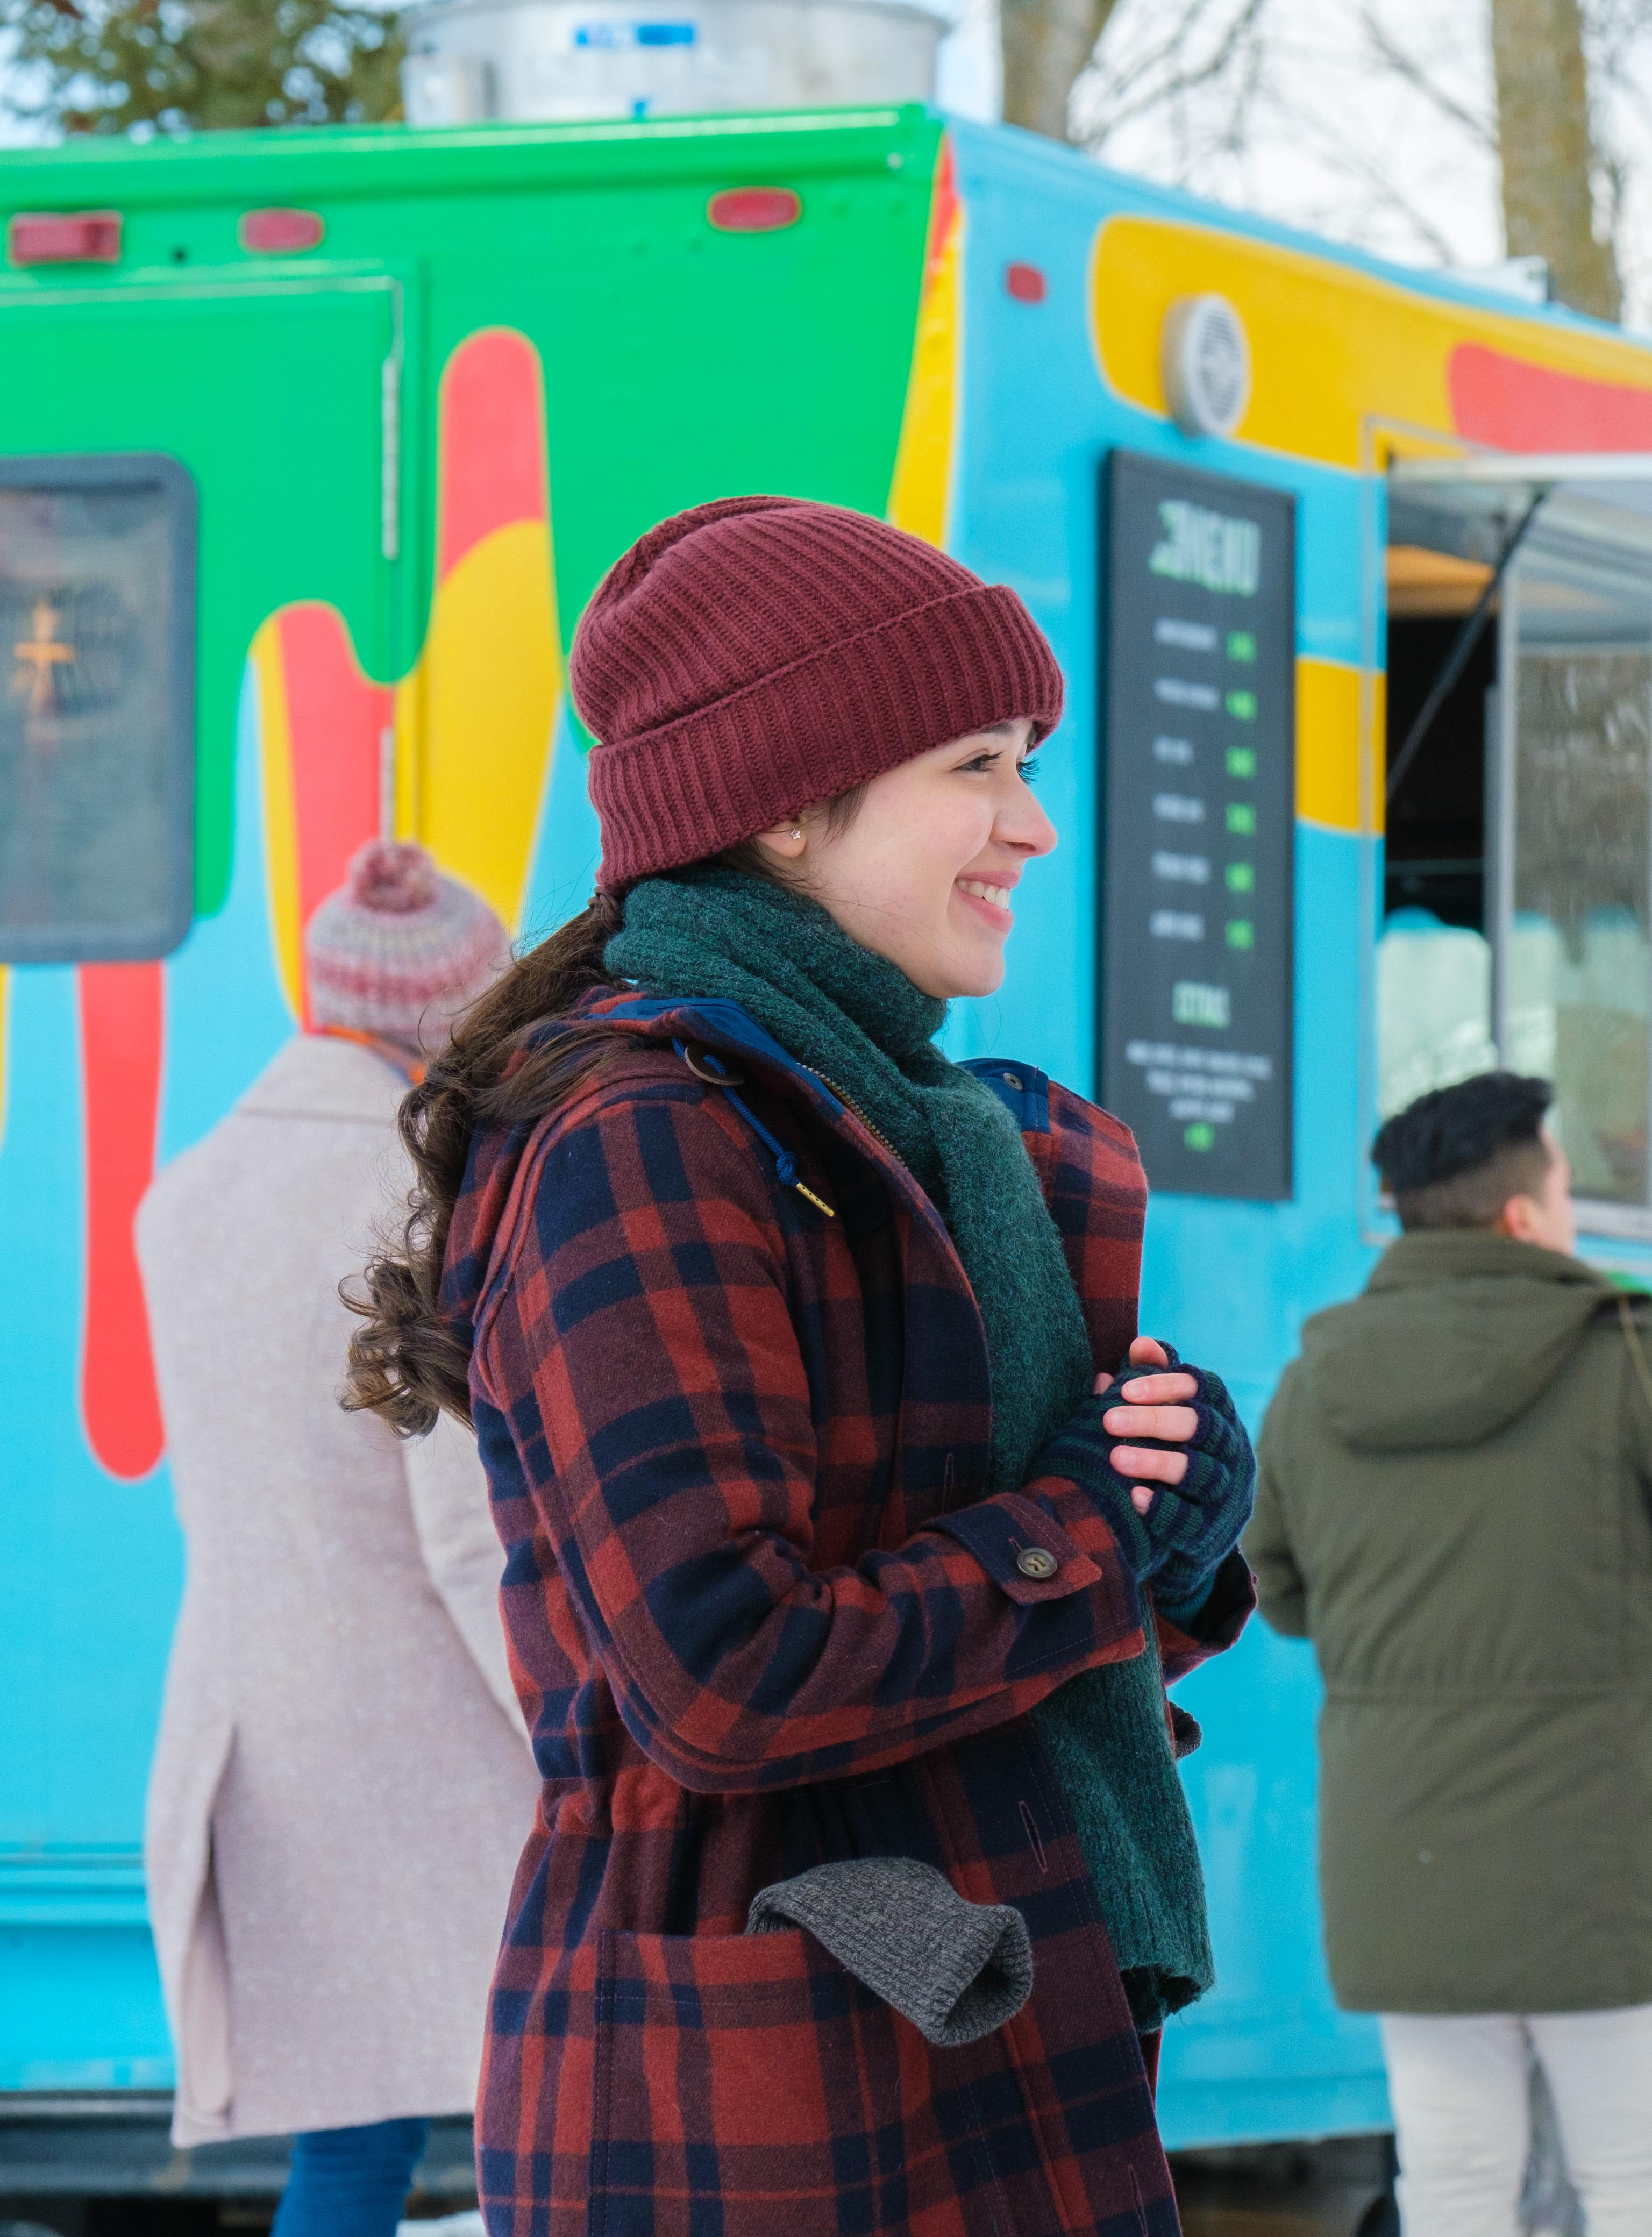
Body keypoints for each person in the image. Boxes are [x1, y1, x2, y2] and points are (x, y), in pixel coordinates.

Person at [340, 496, 1257, 2235]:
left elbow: (985, 1590)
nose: (1031, 825)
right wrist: (1087, 1523)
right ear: (782, 804)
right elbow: (724, 1670)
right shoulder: (650, 1130)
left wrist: (1168, 1528)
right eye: (976, 767)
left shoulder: (902, 1126)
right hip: (782, 2091)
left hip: (975, 2016)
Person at [1244, 1071, 1652, 2237]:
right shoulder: (1621, 1358)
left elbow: (1281, 1593)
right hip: (1608, 1870)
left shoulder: (1315, 1384)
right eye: (1563, 1190)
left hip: (1409, 1862)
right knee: (1639, 2187)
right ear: (1520, 1216)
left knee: (1451, 2188)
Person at [136, 840, 527, 2234]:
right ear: (449, 1017)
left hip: (259, 1733)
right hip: (437, 1747)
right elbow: (462, 1535)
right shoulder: (420, 1196)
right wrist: (572, 1729)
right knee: (551, 2121)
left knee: (353, 2153)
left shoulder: (180, 1199)